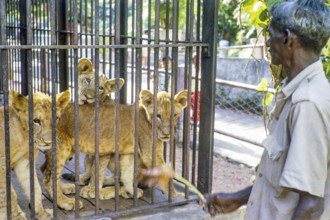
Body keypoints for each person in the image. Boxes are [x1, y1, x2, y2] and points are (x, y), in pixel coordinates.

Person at [204, 0, 330, 219]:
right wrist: (236, 198)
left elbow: (310, 205)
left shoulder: (308, 103)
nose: (267, 42)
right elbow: (282, 185)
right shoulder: (298, 93)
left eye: (270, 34)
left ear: (288, 39)